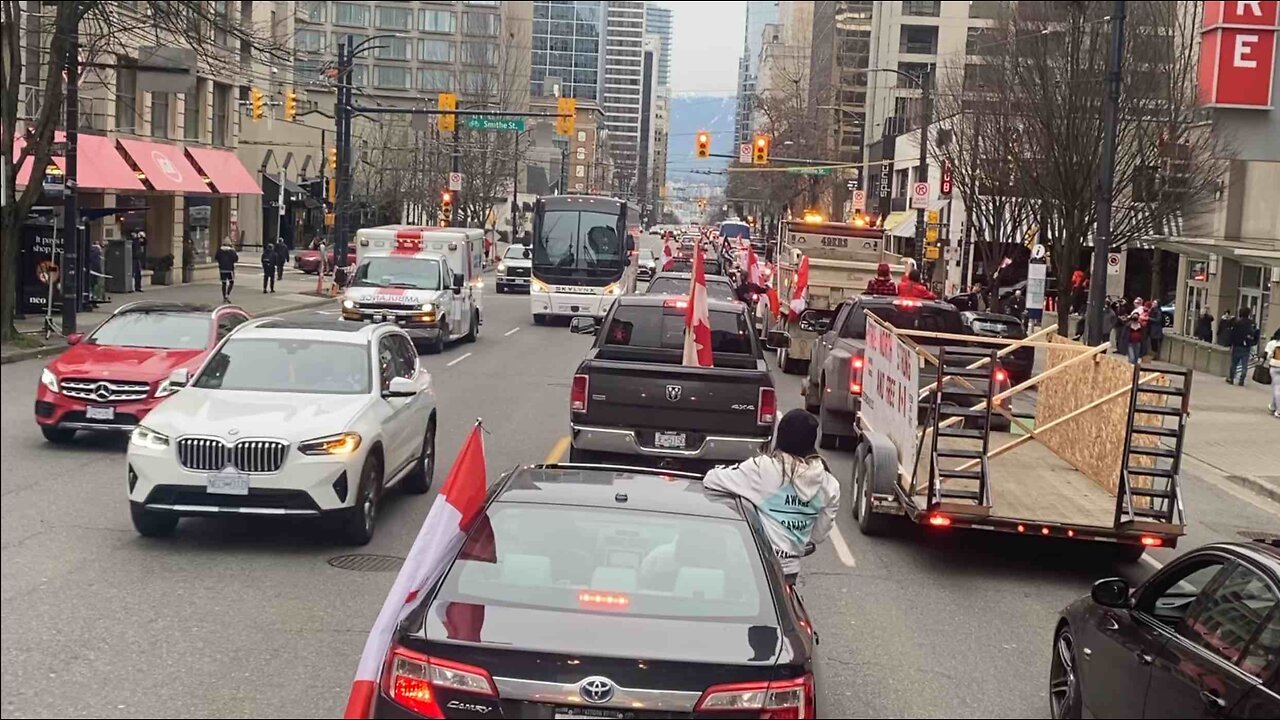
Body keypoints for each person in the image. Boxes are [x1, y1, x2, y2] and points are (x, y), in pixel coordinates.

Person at [703, 409, 840, 584]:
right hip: (790, 570)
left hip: (757, 565)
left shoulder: (763, 469)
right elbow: (818, 536)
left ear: (781, 437)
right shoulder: (829, 484)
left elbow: (711, 479)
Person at [1227, 306, 1258, 386]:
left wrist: (1230, 344)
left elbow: (1232, 334)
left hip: (1237, 345)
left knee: (1234, 363)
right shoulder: (1252, 324)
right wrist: (1253, 342)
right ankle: (1241, 380)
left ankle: (1231, 378)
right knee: (1244, 365)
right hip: (1246, 347)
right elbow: (1256, 333)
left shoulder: (1237, 323)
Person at [214, 237, 238, 302]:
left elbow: (216, 257)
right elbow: (236, 259)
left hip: (222, 269)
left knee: (223, 283)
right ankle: (227, 294)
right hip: (230, 269)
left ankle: (224, 297)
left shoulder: (219, 250)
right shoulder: (232, 251)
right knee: (231, 282)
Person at [1264, 328, 1280, 418]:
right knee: (1277, 387)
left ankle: (1278, 409)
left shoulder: (1272, 343)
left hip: (1275, 366)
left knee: (1276, 387)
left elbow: (1267, 355)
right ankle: (1273, 406)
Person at [87, 239, 103, 308]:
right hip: (94, 272)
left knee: (89, 287)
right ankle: (93, 302)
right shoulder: (97, 252)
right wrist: (100, 272)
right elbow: (97, 263)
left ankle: (89, 301)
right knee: (94, 287)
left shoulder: (89, 250)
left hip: (89, 270)